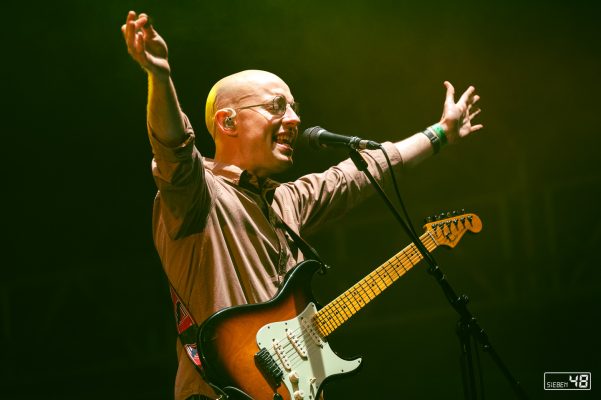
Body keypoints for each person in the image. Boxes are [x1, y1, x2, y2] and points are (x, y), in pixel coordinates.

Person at [122, 10, 482, 400]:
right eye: (277, 106)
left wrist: (441, 133)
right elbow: (173, 146)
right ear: (227, 123)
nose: (293, 119)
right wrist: (159, 76)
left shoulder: (288, 200)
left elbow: (367, 169)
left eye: (294, 107)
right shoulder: (197, 194)